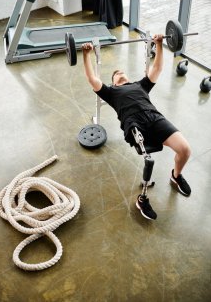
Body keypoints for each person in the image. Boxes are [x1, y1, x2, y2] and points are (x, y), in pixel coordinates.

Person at [81, 35, 191, 220]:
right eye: (116, 74)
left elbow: (157, 68)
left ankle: (176, 175)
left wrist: (158, 44)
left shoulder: (141, 85)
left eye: (122, 71)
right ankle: (142, 199)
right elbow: (92, 79)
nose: (120, 73)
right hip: (134, 124)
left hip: (155, 118)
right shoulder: (111, 93)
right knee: (149, 161)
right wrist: (86, 55)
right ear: (113, 82)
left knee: (185, 150)